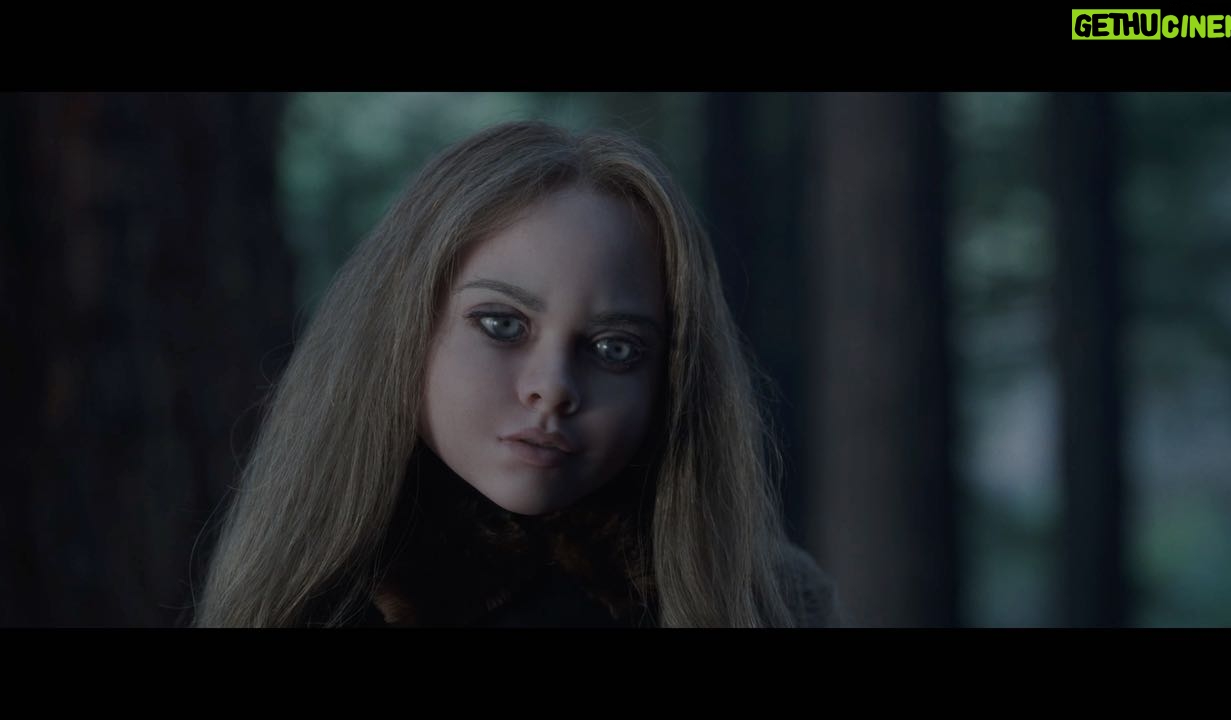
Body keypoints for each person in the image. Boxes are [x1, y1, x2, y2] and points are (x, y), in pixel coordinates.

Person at [194, 119, 841, 627]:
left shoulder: (775, 603)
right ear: (402, 328)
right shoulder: (308, 592)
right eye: (502, 325)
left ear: (669, 381)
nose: (552, 388)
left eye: (615, 349)